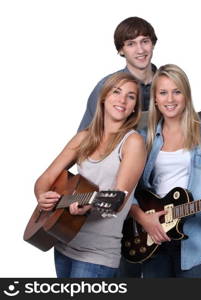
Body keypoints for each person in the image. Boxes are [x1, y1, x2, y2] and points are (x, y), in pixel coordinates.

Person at [129, 64, 201, 278]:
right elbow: (129, 188)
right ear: (155, 99)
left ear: (186, 96)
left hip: (195, 239)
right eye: (163, 92)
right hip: (151, 236)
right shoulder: (144, 138)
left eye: (176, 91)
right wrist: (143, 219)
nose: (170, 99)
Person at [34, 72, 146, 277]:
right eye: (116, 92)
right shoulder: (83, 137)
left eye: (130, 97)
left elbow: (118, 200)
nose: (122, 100)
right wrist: (42, 195)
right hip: (63, 241)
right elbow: (45, 179)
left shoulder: (133, 143)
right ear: (104, 97)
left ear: (134, 108)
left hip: (97, 254)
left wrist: (89, 206)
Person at [78, 16, 201, 136]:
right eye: (131, 44)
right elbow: (83, 139)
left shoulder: (170, 84)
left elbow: (185, 138)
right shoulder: (107, 87)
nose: (140, 50)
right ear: (121, 50)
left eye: (145, 41)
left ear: (153, 44)